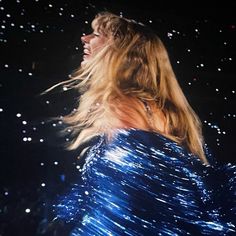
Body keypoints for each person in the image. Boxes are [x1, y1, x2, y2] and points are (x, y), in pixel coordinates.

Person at [41, 11, 235, 235]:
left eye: (96, 34)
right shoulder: (155, 107)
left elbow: (126, 200)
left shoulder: (122, 105)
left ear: (121, 50)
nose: (85, 38)